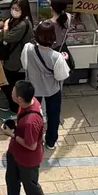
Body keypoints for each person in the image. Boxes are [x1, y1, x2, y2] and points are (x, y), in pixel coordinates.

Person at [0, 78, 51, 195]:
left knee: (31, 187)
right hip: (15, 153)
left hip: (28, 160)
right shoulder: (29, 103)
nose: (11, 91)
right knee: (12, 181)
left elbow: (31, 145)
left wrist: (11, 135)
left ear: (19, 98)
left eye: (13, 91)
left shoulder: (31, 121)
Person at [21, 20, 68, 151]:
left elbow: (24, 65)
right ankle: (51, 141)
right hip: (52, 90)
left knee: (32, 116)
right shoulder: (57, 56)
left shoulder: (28, 48)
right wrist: (64, 60)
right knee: (53, 117)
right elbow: (61, 76)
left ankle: (33, 139)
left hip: (32, 89)